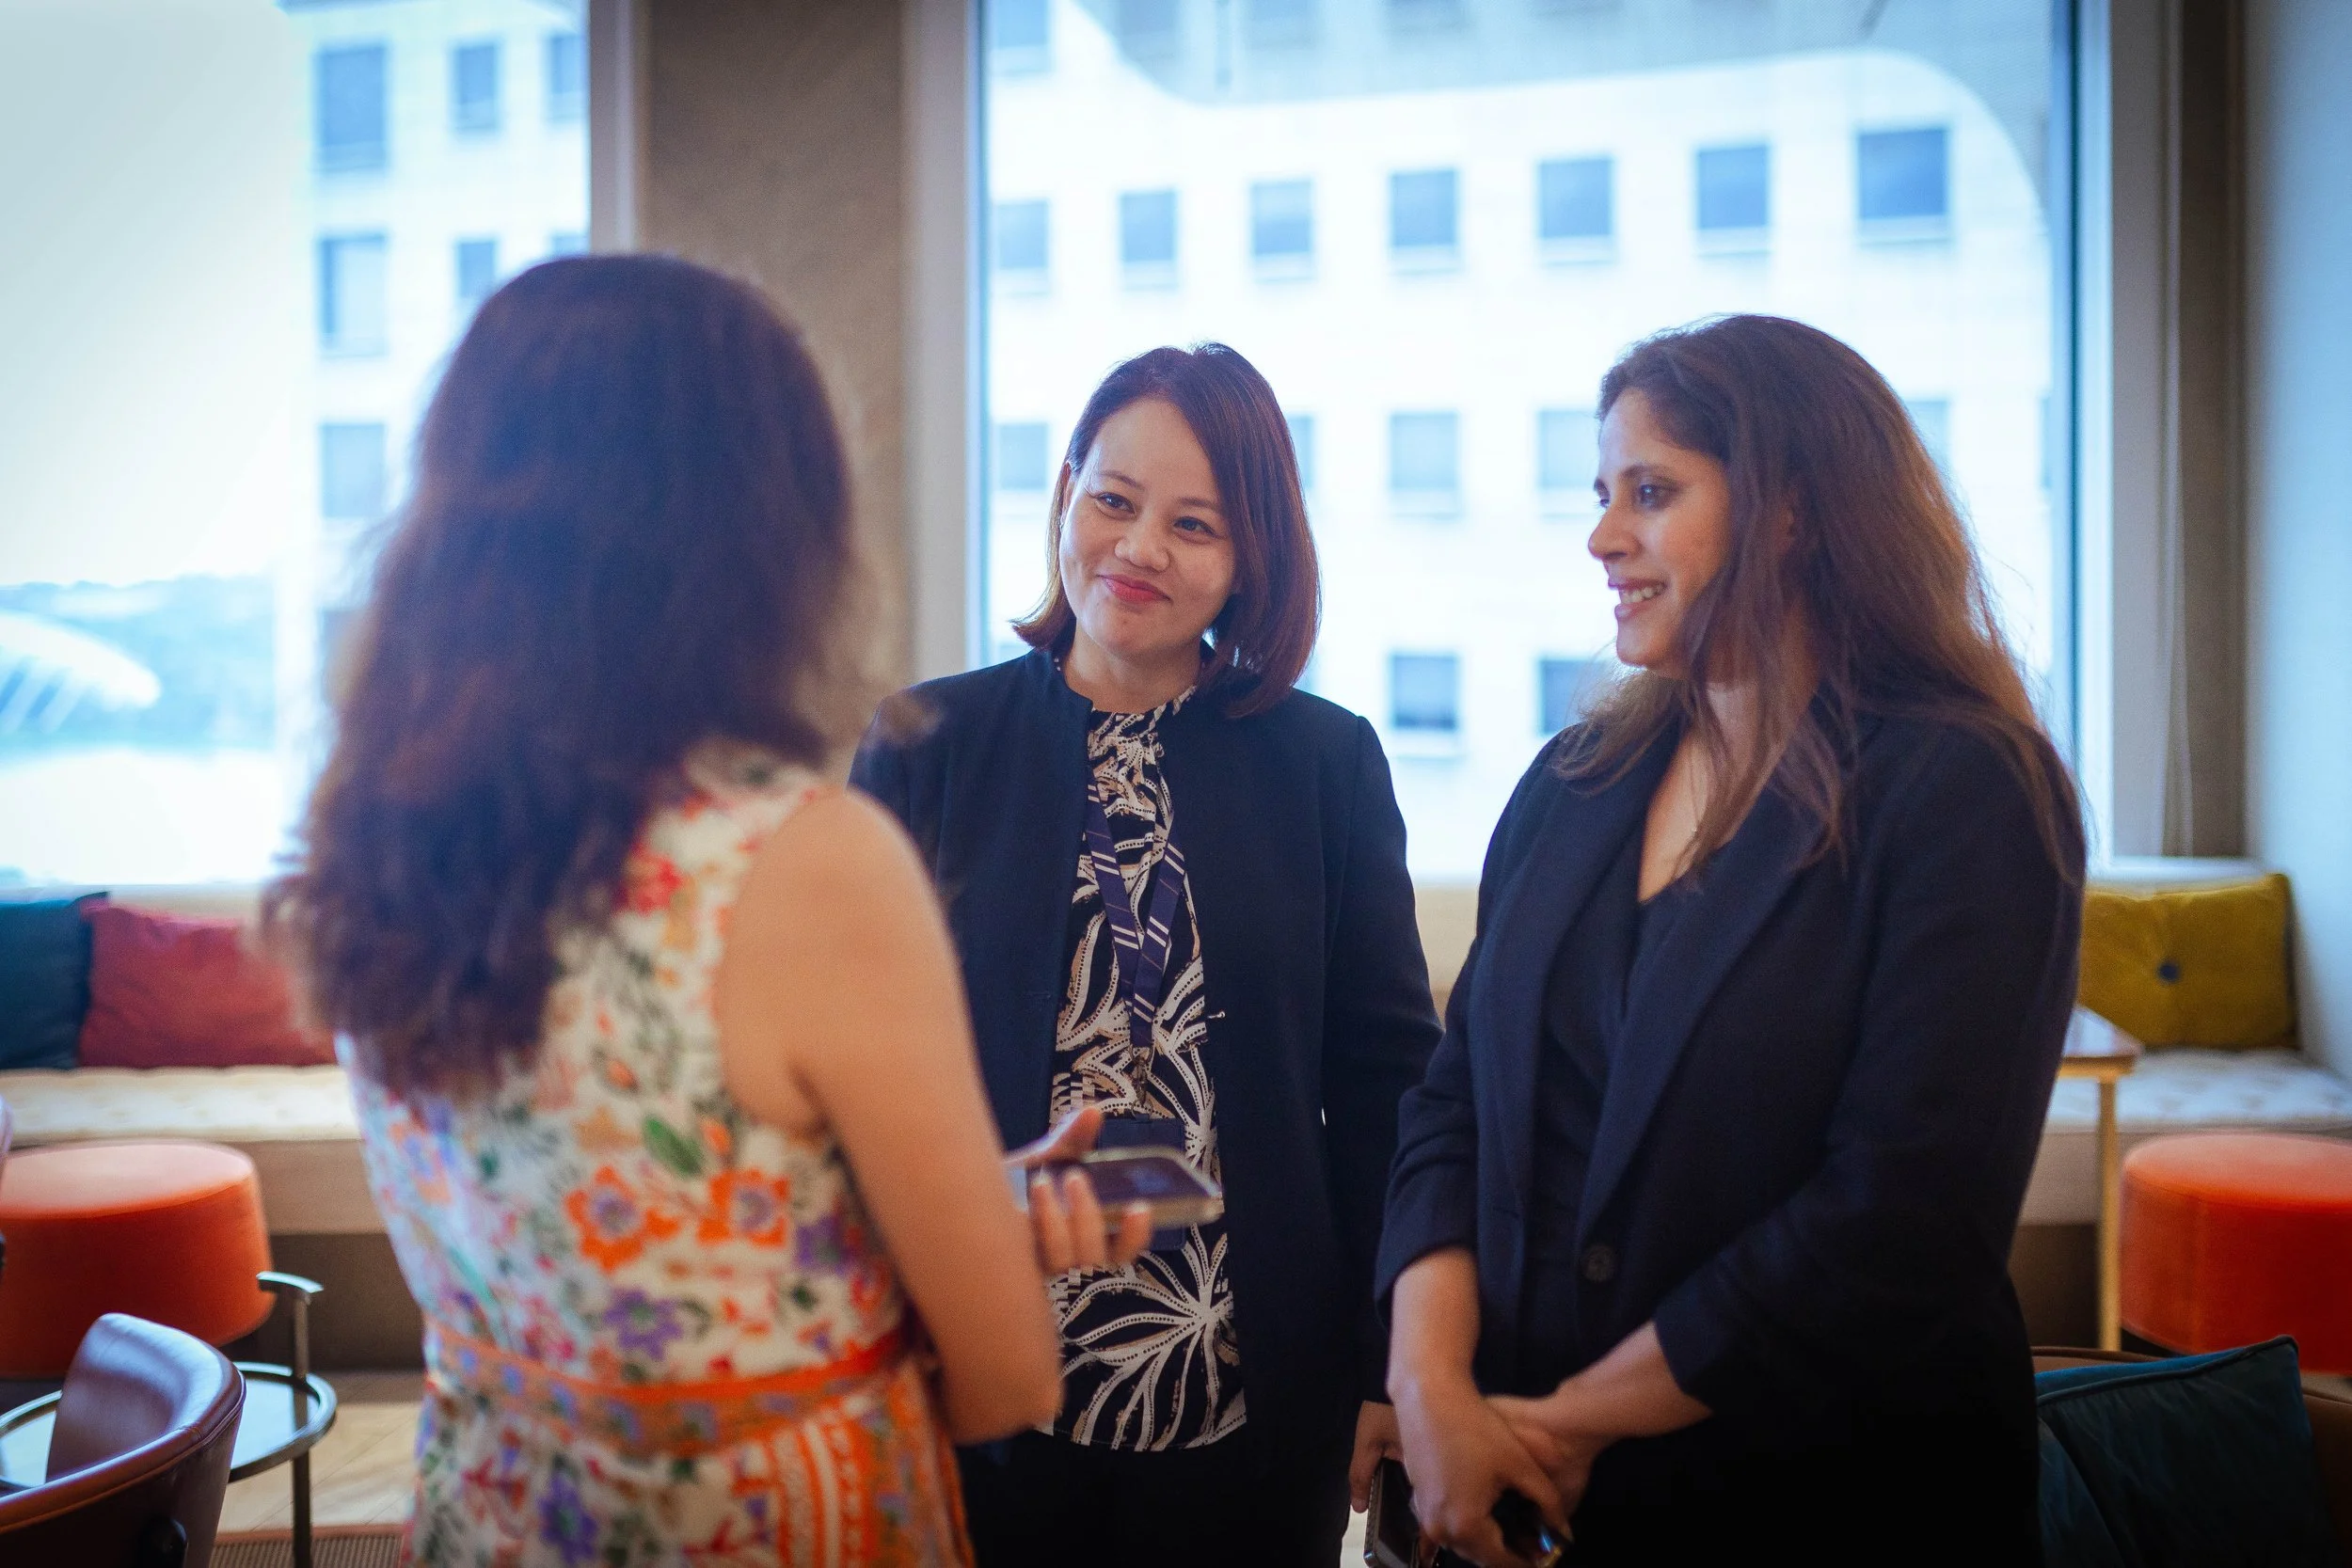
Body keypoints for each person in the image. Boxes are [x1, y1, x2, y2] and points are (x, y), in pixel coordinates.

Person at [265, 255, 1132, 1568]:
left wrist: (939, 1204)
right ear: (767, 533)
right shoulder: (803, 860)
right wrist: (979, 1262)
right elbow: (1008, 1375)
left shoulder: (384, 828)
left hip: (494, 1512)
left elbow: (603, 1219)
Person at [1378, 314, 2085, 1565]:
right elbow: (1453, 1106)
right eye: (1603, 495)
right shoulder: (1573, 778)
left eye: (1652, 492)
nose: (1602, 536)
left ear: (1792, 510)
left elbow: (1902, 1217)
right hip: (1516, 1489)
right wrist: (1432, 1389)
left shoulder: (1966, 788)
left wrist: (1561, 1427)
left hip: (1825, 1498)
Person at [851, 343, 1439, 1566]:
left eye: (1194, 523)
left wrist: (1391, 1365)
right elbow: (861, 1075)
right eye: (1114, 499)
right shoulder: (928, 745)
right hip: (981, 1373)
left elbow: (1387, 1079)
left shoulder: (1326, 764)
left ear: (1251, 556)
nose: (1140, 548)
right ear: (1065, 490)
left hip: (1253, 1386)